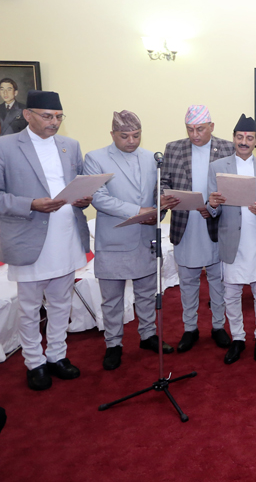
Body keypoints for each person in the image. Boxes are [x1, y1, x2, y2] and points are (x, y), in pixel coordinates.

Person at [0, 90, 92, 390]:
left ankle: (56, 355)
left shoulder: (70, 145)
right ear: (28, 115)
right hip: (29, 238)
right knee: (28, 308)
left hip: (66, 237)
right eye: (48, 116)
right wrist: (30, 204)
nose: (54, 122)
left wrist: (83, 199)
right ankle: (34, 362)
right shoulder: (6, 146)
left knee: (60, 303)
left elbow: (77, 185)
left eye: (59, 117)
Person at [84, 110, 173, 371]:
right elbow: (99, 199)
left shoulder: (152, 158)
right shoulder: (96, 158)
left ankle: (148, 336)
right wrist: (139, 211)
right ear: (112, 134)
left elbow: (158, 193)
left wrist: (161, 207)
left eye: (136, 135)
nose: (131, 141)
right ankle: (113, 344)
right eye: (124, 136)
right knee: (111, 299)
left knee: (147, 294)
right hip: (114, 239)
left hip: (145, 237)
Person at [161, 105, 234, 352]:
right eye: (190, 129)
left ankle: (218, 326)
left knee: (217, 279)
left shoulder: (226, 148)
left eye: (200, 129)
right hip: (185, 223)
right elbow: (164, 183)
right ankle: (190, 328)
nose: (195, 135)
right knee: (188, 280)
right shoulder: (173, 148)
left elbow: (233, 186)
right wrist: (164, 198)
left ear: (211, 127)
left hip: (215, 223)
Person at [207, 114, 256, 364]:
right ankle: (237, 338)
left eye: (248, 138)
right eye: (239, 137)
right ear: (233, 139)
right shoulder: (218, 167)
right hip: (231, 241)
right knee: (232, 294)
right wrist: (211, 204)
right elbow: (211, 207)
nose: (243, 142)